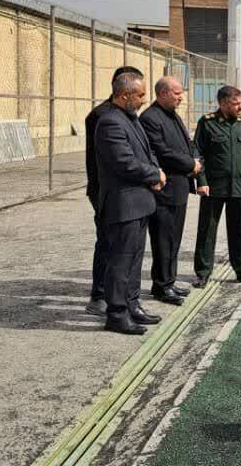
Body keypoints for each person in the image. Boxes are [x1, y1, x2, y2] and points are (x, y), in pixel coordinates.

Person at [94, 72, 166, 335]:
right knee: (120, 260)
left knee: (135, 259)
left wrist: (156, 171)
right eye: (140, 95)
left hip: (140, 201)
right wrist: (154, 175)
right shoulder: (110, 122)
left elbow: (148, 153)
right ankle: (116, 313)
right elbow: (123, 162)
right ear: (124, 96)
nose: (145, 100)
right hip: (123, 204)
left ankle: (132, 304)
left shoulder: (130, 119)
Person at [84, 65, 144, 317]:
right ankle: (99, 295)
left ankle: (124, 298)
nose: (142, 99)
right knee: (109, 244)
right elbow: (111, 159)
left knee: (126, 248)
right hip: (107, 190)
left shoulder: (127, 114)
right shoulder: (103, 116)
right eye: (138, 93)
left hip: (129, 191)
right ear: (123, 90)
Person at [193, 85, 241, 286]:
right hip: (213, 186)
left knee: (240, 229)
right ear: (223, 104)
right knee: (207, 230)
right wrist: (201, 181)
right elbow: (198, 154)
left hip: (239, 185)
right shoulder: (207, 123)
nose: (240, 107)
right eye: (235, 104)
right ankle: (203, 272)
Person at [139, 76, 200, 305]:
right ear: (163, 93)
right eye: (176, 93)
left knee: (174, 239)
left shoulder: (172, 115)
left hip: (179, 188)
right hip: (164, 190)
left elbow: (186, 143)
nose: (181, 97)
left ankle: (168, 282)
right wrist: (190, 164)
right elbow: (161, 152)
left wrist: (195, 158)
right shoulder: (150, 118)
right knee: (163, 240)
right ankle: (163, 286)